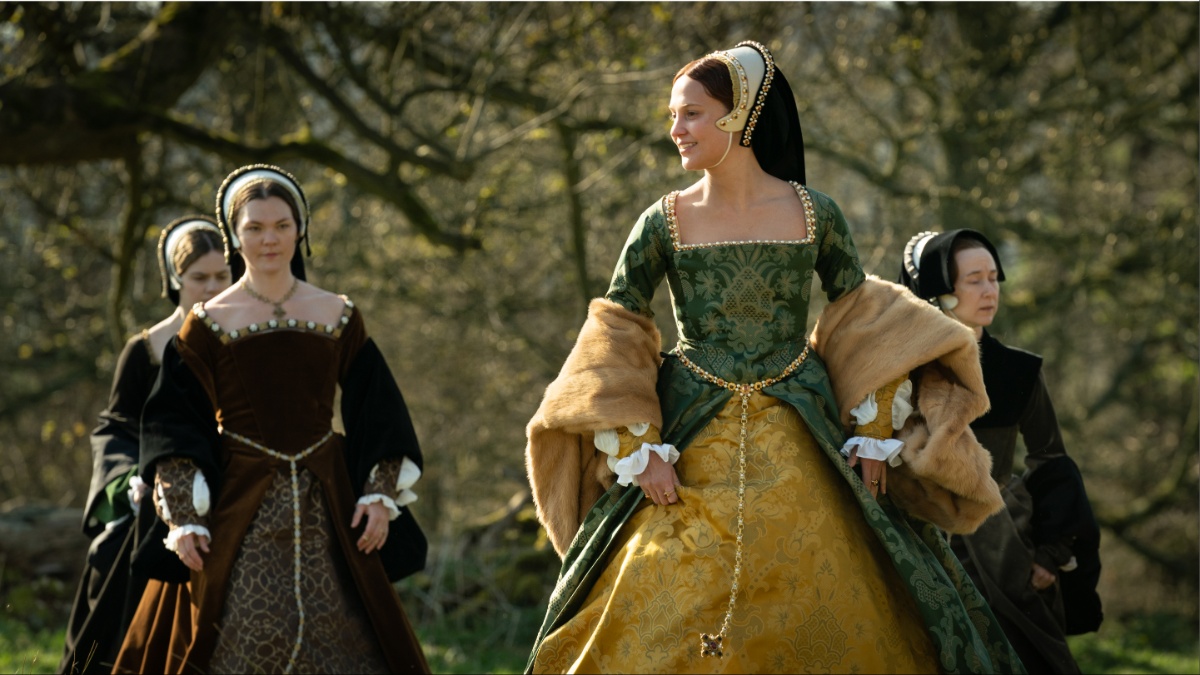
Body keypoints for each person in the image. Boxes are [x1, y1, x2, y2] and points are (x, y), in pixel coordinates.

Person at [524, 41, 1025, 674]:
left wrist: (872, 432)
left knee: (833, 582)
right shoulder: (663, 221)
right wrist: (637, 444)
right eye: (673, 116)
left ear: (739, 118)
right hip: (685, 428)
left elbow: (866, 315)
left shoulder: (817, 215)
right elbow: (618, 325)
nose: (675, 130)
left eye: (691, 114)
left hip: (804, 417)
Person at [113, 164, 429, 674]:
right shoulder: (207, 323)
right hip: (240, 501)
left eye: (281, 225)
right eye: (254, 228)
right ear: (234, 237)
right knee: (243, 636)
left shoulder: (338, 314)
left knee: (347, 640)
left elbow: (378, 410)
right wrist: (184, 514)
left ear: (300, 230)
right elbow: (175, 423)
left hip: (329, 495)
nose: (269, 240)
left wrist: (379, 494)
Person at [898, 229, 1103, 674]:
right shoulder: (903, 369)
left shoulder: (1018, 370)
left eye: (993, 277)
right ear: (941, 289)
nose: (990, 289)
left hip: (1006, 550)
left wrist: (1047, 554)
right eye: (974, 279)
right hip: (921, 542)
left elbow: (1051, 457)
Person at [59, 216, 235, 675]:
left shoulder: (246, 343)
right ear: (176, 280)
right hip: (153, 502)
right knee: (118, 564)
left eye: (222, 276)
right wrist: (132, 480)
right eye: (199, 278)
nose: (211, 287)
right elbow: (116, 428)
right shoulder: (146, 350)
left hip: (235, 487)